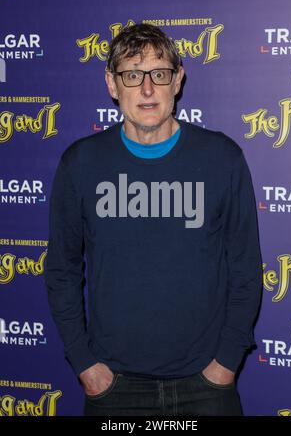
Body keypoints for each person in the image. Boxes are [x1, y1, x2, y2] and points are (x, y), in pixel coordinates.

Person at [44, 23, 263, 416]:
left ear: (177, 81)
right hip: (114, 390)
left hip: (207, 387)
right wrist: (85, 365)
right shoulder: (80, 164)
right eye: (132, 74)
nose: (147, 89)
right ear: (112, 85)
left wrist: (225, 364)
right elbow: (61, 270)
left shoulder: (222, 158)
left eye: (159, 74)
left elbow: (246, 269)